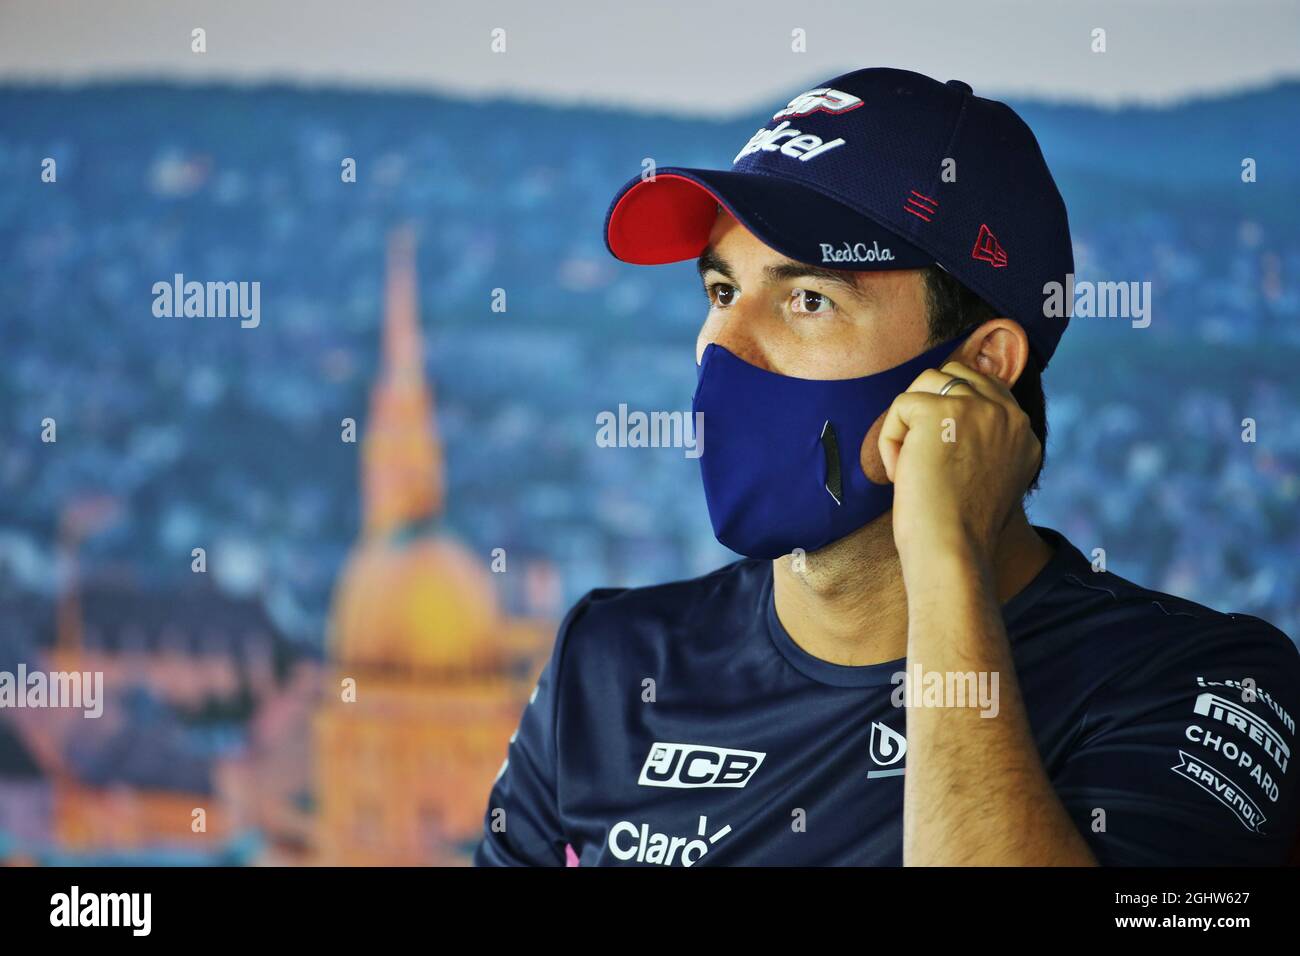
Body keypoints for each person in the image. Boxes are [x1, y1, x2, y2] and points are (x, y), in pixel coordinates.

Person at [474, 67, 1300, 866]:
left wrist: (943, 556)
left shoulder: (1200, 689)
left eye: (809, 300)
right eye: (722, 293)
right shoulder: (611, 667)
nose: (719, 348)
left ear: (980, 367)